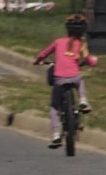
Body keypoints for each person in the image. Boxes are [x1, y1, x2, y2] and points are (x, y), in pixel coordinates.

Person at [36, 14, 100, 147]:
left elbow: (43, 54)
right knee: (80, 79)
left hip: (59, 79)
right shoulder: (81, 44)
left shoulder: (58, 42)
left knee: (54, 107)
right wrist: (94, 62)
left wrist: (38, 61)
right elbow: (89, 60)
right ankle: (83, 100)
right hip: (74, 77)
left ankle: (55, 135)